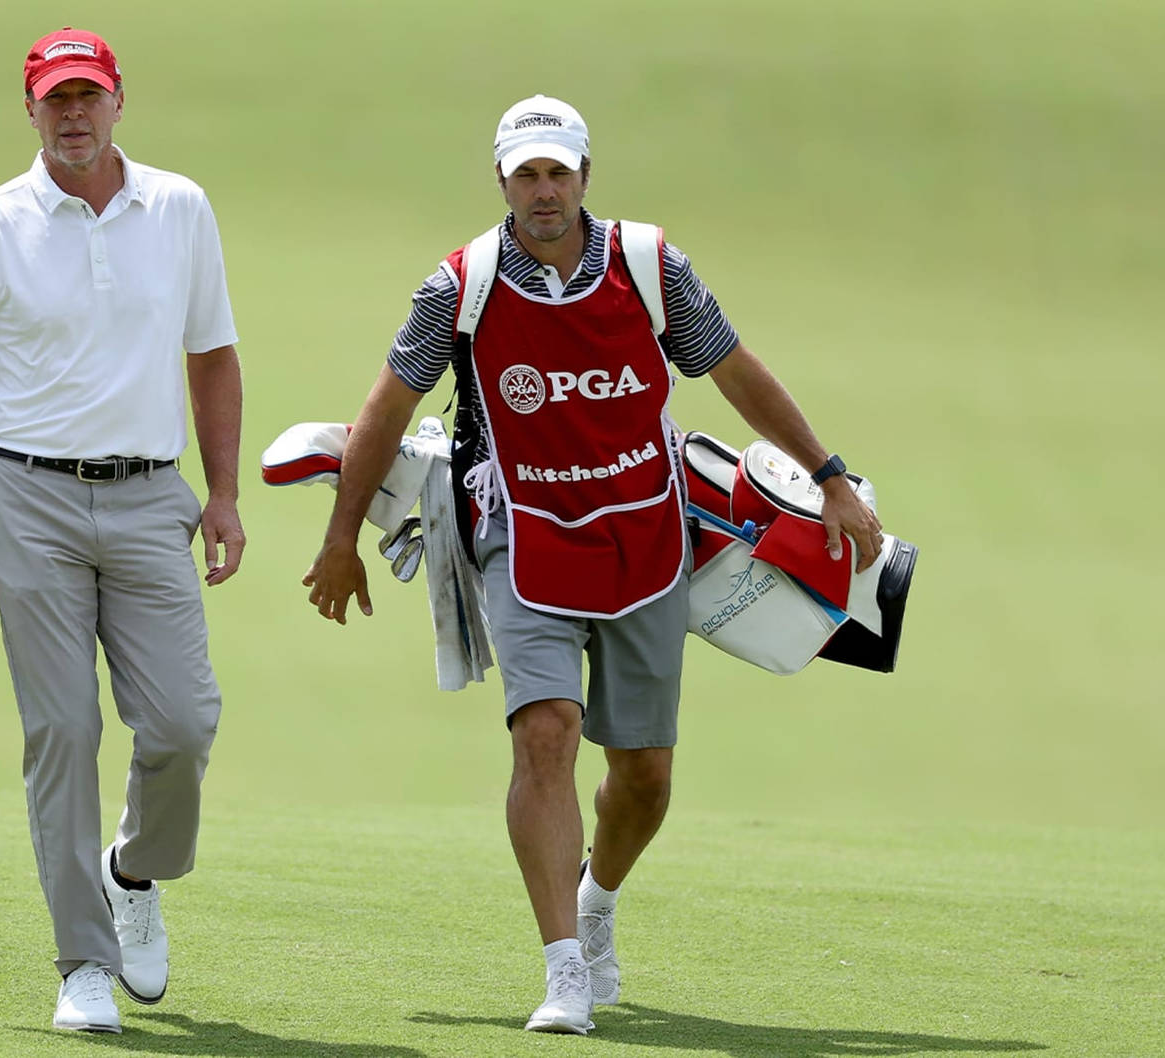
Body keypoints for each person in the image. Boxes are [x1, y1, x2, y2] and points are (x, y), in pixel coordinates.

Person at [303, 95, 882, 1035]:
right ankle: (564, 967)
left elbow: (733, 369)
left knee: (644, 774)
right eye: (525, 174)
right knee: (545, 734)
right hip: (522, 535)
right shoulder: (462, 285)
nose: (543, 191)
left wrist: (830, 479)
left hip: (647, 537)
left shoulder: (652, 267)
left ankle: (598, 901)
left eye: (557, 173)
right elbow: (387, 405)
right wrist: (339, 540)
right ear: (501, 180)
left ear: (584, 177)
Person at [0, 27, 245, 1035]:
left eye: (87, 95)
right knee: (62, 729)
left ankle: (132, 869)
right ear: (30, 110)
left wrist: (222, 494)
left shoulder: (179, 207)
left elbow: (214, 356)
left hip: (152, 497)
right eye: (55, 99)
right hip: (25, 497)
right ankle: (83, 959)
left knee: (184, 722)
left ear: (118, 101)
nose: (73, 115)